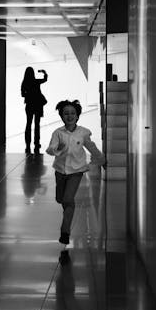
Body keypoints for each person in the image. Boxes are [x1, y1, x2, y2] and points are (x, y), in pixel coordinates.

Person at [46, 99, 106, 245]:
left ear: (77, 115)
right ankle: (66, 216)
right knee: (61, 199)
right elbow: (50, 150)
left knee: (68, 199)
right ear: (61, 116)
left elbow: (92, 148)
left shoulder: (83, 133)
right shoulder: (58, 133)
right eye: (66, 113)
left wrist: (102, 161)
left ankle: (65, 231)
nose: (70, 116)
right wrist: (58, 148)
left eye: (73, 113)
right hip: (60, 170)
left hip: (77, 171)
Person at [21, 67, 48, 154]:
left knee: (28, 124)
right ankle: (36, 143)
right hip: (37, 105)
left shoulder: (24, 83)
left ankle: (27, 143)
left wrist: (29, 94)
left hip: (29, 105)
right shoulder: (36, 81)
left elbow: (22, 94)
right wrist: (44, 72)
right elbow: (45, 79)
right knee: (37, 124)